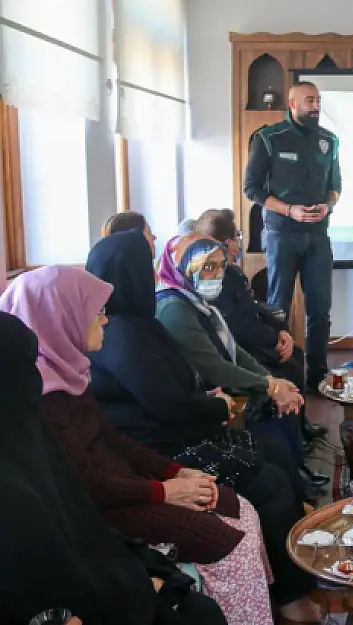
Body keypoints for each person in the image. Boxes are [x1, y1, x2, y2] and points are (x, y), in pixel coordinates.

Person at [0, 267, 285, 624]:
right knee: (231, 542)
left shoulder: (71, 370)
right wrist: (165, 491)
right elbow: (89, 485)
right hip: (108, 509)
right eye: (96, 312)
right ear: (64, 316)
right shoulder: (40, 396)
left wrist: (176, 473)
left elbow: (113, 439)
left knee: (240, 507)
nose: (105, 320)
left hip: (129, 487)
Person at [84, 230, 322, 623]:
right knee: (271, 482)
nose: (150, 276)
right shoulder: (122, 332)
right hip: (162, 451)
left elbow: (187, 375)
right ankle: (291, 598)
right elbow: (168, 401)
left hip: (179, 433)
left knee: (274, 457)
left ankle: (293, 566)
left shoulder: (138, 322)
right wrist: (216, 405)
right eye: (142, 268)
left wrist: (221, 398)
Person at [153, 235, 314, 501]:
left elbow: (234, 352)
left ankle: (300, 498)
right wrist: (270, 386)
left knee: (285, 406)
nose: (217, 274)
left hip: (222, 394)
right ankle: (296, 511)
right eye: (207, 267)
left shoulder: (196, 302)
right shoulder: (174, 308)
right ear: (182, 267)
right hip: (206, 407)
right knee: (276, 453)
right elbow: (213, 367)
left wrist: (272, 381)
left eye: (220, 265)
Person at [192, 208, 329, 486]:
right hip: (237, 352)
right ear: (226, 241)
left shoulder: (230, 271)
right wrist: (272, 340)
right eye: (237, 236)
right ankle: (294, 468)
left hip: (249, 344)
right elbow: (234, 328)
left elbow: (256, 309)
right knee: (284, 374)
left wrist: (281, 330)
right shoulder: (214, 277)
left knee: (295, 357)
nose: (239, 242)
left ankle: (299, 438)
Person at [243, 80, 341, 388]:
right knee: (278, 308)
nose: (315, 106)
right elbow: (251, 189)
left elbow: (335, 187)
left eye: (318, 101)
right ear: (292, 103)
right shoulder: (268, 138)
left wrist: (327, 205)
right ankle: (279, 380)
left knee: (320, 309)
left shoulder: (329, 140)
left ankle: (317, 378)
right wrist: (289, 210)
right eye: (309, 100)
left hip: (318, 236)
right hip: (281, 233)